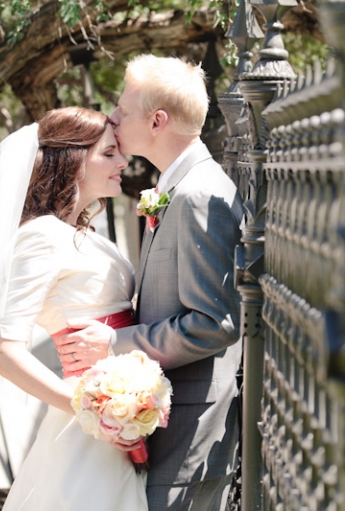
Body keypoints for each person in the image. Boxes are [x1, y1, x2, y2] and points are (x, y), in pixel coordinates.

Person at [0, 107, 148, 510]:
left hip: (126, 412)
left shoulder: (82, 233)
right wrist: (90, 409)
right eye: (108, 153)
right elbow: (2, 352)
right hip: (90, 422)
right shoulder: (41, 237)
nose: (123, 162)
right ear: (72, 161)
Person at [55, 55, 244, 510]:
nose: (113, 118)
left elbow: (213, 324)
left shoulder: (199, 194)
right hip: (167, 422)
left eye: (123, 109)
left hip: (189, 432)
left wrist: (113, 344)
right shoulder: (178, 187)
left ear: (157, 121)